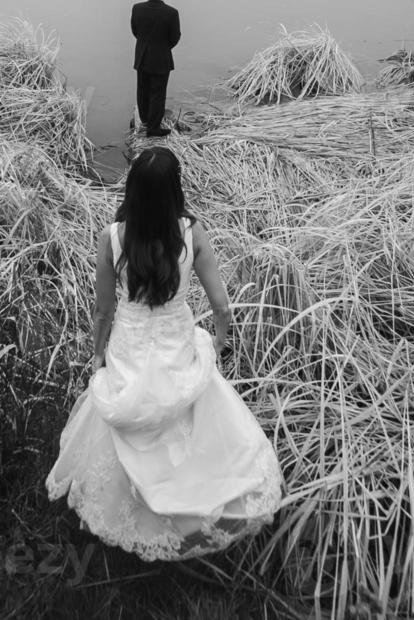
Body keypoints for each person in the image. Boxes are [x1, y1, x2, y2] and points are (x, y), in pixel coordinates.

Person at [46, 147, 283, 560]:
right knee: (189, 420)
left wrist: (99, 355)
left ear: (132, 189)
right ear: (175, 190)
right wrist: (221, 341)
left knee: (127, 417)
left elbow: (103, 310)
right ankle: (195, 500)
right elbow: (221, 304)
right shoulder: (191, 233)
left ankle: (133, 506)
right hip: (177, 338)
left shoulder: (112, 237)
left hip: (131, 340)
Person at [130, 0, 180, 137]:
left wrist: (145, 44)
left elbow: (135, 31)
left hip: (142, 57)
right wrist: (164, 48)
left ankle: (144, 121)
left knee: (142, 90)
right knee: (158, 93)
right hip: (161, 59)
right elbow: (175, 37)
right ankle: (153, 128)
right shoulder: (172, 12)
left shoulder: (137, 8)